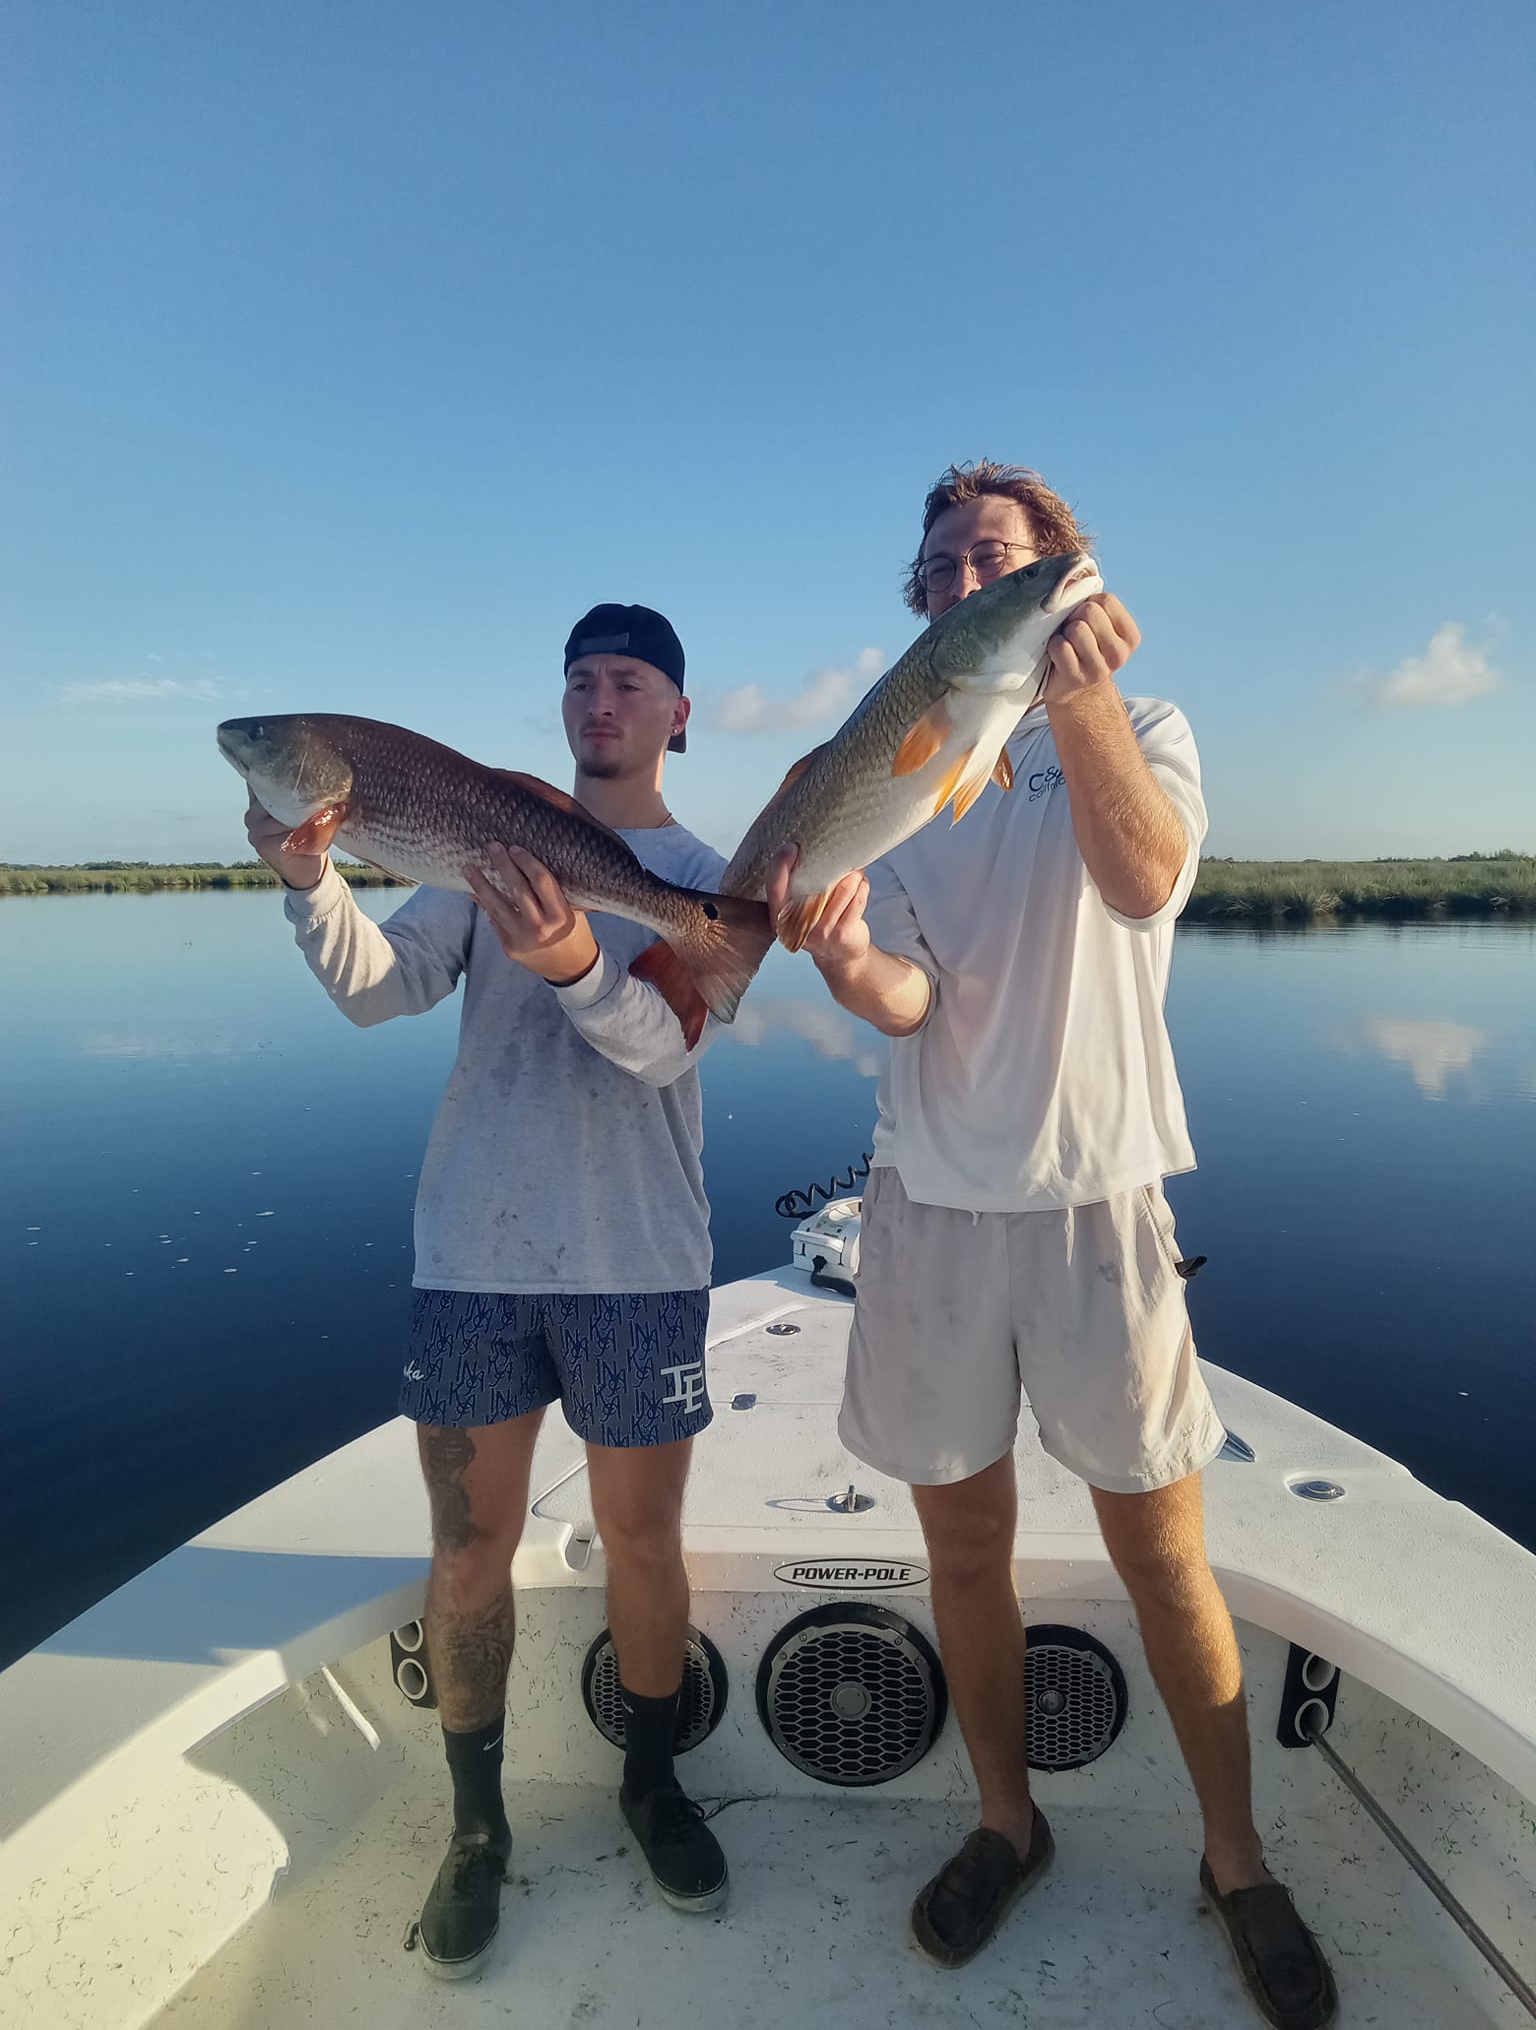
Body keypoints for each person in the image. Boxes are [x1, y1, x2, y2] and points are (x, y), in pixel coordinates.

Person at [766, 464, 1338, 2030]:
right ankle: (1007, 1822)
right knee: (964, 1548)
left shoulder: (1145, 731)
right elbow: (913, 1002)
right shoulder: (905, 773)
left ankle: (1236, 1859)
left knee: (1164, 1554)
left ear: (1064, 579)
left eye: (1000, 557)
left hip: (1099, 1196)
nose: (966, 578)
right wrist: (850, 961)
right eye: (942, 562)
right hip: (931, 1205)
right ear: (921, 601)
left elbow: (1147, 877)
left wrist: (1078, 704)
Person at [245, 604, 732, 1980]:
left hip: (637, 1259)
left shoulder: (704, 881)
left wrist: (575, 963)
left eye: (629, 683)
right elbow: (380, 994)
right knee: (466, 1550)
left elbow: (661, 1053)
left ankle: (651, 1781)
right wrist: (307, 885)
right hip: (472, 1257)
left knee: (645, 1545)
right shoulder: (483, 852)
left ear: (678, 715)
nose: (599, 703)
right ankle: (476, 1827)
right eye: (580, 682)